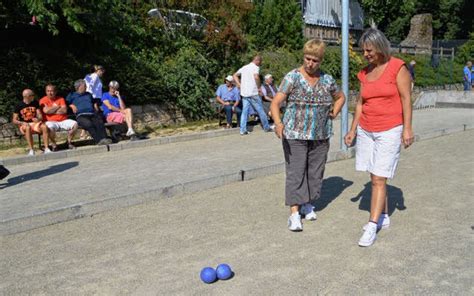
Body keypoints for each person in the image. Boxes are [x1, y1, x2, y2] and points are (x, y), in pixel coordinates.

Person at [344, 28, 414, 247]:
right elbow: (360, 103)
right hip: (367, 129)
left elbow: (406, 99)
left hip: (390, 128)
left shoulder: (397, 67)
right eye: (364, 51)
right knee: (374, 174)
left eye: (369, 50)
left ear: (380, 47)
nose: (365, 54)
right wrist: (352, 129)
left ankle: (372, 224)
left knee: (379, 178)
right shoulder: (365, 73)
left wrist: (407, 128)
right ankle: (383, 216)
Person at [270, 39, 345, 232]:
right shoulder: (292, 77)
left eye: (314, 60)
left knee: (315, 172)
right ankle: (294, 213)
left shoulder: (327, 79)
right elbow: (275, 103)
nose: (310, 63)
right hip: (294, 133)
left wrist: (335, 112)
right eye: (307, 58)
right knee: (296, 172)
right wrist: (278, 124)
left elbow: (341, 97)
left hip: (320, 134)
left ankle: (307, 203)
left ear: (321, 60)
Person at [233, 55, 271, 135]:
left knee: (245, 111)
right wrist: (259, 87)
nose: (260, 64)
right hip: (253, 92)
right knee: (260, 110)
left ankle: (242, 130)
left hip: (245, 93)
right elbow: (256, 77)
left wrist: (239, 84)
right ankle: (266, 127)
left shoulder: (244, 67)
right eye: (260, 62)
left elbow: (234, 75)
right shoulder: (255, 67)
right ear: (257, 61)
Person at [66, 79, 111, 145]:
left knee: (99, 122)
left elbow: (93, 101)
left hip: (92, 113)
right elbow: (65, 103)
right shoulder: (72, 95)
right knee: (89, 124)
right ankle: (98, 140)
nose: (86, 87)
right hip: (81, 115)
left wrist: (95, 104)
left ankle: (104, 138)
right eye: (85, 86)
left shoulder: (88, 94)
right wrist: (71, 105)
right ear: (79, 87)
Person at [12, 89, 52, 156]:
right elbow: (14, 120)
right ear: (27, 96)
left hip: (34, 124)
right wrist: (22, 123)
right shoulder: (18, 105)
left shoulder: (35, 103)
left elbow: (40, 115)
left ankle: (47, 148)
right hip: (24, 125)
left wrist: (38, 119)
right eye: (32, 95)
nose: (34, 96)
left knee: (44, 126)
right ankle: (31, 150)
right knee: (28, 127)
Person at [39, 84, 78, 150]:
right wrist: (58, 107)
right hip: (50, 121)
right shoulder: (43, 100)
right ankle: (54, 144)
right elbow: (46, 111)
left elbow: (64, 110)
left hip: (63, 120)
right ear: (46, 92)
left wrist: (51, 110)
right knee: (49, 127)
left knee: (75, 124)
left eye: (52, 91)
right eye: (48, 91)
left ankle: (68, 142)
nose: (50, 93)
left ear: (55, 92)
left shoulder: (61, 99)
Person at [82, 65, 105, 139]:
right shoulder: (95, 76)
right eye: (101, 71)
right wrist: (92, 100)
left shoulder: (89, 76)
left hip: (92, 98)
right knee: (95, 115)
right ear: (98, 70)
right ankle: (88, 133)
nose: (102, 73)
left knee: (90, 115)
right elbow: (89, 87)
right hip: (94, 98)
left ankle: (84, 133)